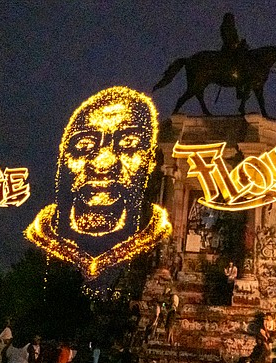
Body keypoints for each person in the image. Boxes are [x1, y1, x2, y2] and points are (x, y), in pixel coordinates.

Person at [24, 86, 171, 283]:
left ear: (152, 162)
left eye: (128, 143)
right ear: (61, 162)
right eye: (84, 145)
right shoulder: (40, 242)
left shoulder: (155, 239)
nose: (104, 162)